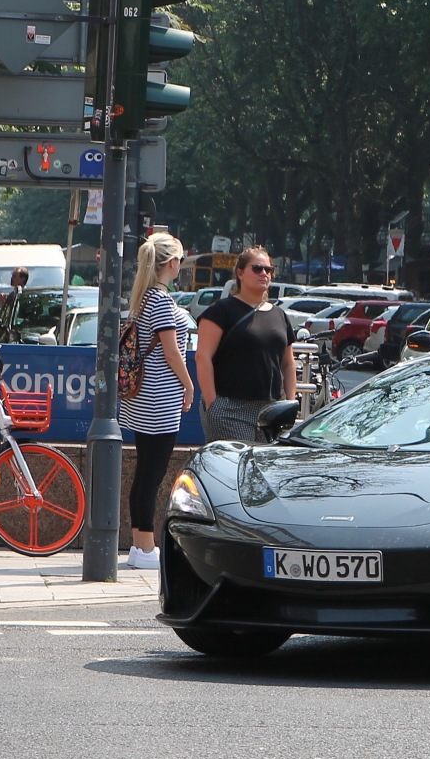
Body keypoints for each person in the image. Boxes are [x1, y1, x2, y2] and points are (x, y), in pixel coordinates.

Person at [119, 233, 195, 570]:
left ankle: (140, 544)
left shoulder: (144, 298)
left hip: (142, 399)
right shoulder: (161, 301)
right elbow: (171, 349)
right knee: (152, 474)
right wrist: (189, 385)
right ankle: (146, 547)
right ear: (173, 263)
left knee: (144, 473)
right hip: (159, 400)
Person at [195, 247, 297, 442]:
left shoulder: (279, 314)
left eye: (269, 270)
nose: (264, 274)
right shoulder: (221, 310)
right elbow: (203, 356)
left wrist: (290, 403)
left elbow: (288, 363)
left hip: (272, 411)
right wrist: (212, 402)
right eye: (257, 268)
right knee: (235, 469)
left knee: (264, 470)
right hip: (230, 409)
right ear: (240, 273)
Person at [0, 266, 29, 342]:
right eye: (12, 275)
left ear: (23, 279)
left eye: (15, 276)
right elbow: (6, 315)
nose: (12, 278)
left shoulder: (25, 296)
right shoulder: (13, 295)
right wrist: (2, 302)